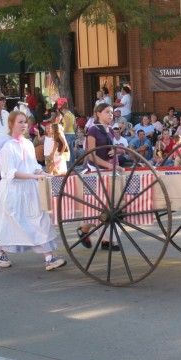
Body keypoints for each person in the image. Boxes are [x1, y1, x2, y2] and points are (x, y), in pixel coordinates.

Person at [0, 110, 66, 271]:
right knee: (10, 223)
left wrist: (41, 172)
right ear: (11, 125)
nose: (23, 125)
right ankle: (0, 251)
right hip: (13, 191)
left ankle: (49, 257)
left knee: (40, 220)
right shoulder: (7, 147)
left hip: (30, 189)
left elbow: (33, 165)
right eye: (20, 122)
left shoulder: (28, 144)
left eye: (25, 122)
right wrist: (32, 176)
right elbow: (10, 173)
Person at [78, 103, 120, 250]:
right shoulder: (93, 130)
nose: (111, 115)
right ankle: (84, 229)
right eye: (108, 112)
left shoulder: (109, 130)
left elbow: (109, 150)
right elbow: (92, 156)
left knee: (111, 207)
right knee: (99, 208)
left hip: (107, 170)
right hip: (95, 171)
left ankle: (106, 240)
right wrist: (110, 166)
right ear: (98, 114)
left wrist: (114, 153)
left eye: (112, 112)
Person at [60, 101, 76, 168]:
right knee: (71, 149)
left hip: (67, 133)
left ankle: (69, 165)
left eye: (62, 111)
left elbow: (67, 125)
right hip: (72, 133)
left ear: (64, 109)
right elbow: (75, 125)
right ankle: (73, 163)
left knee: (67, 150)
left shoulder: (66, 115)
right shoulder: (72, 115)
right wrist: (73, 131)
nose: (62, 112)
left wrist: (63, 133)